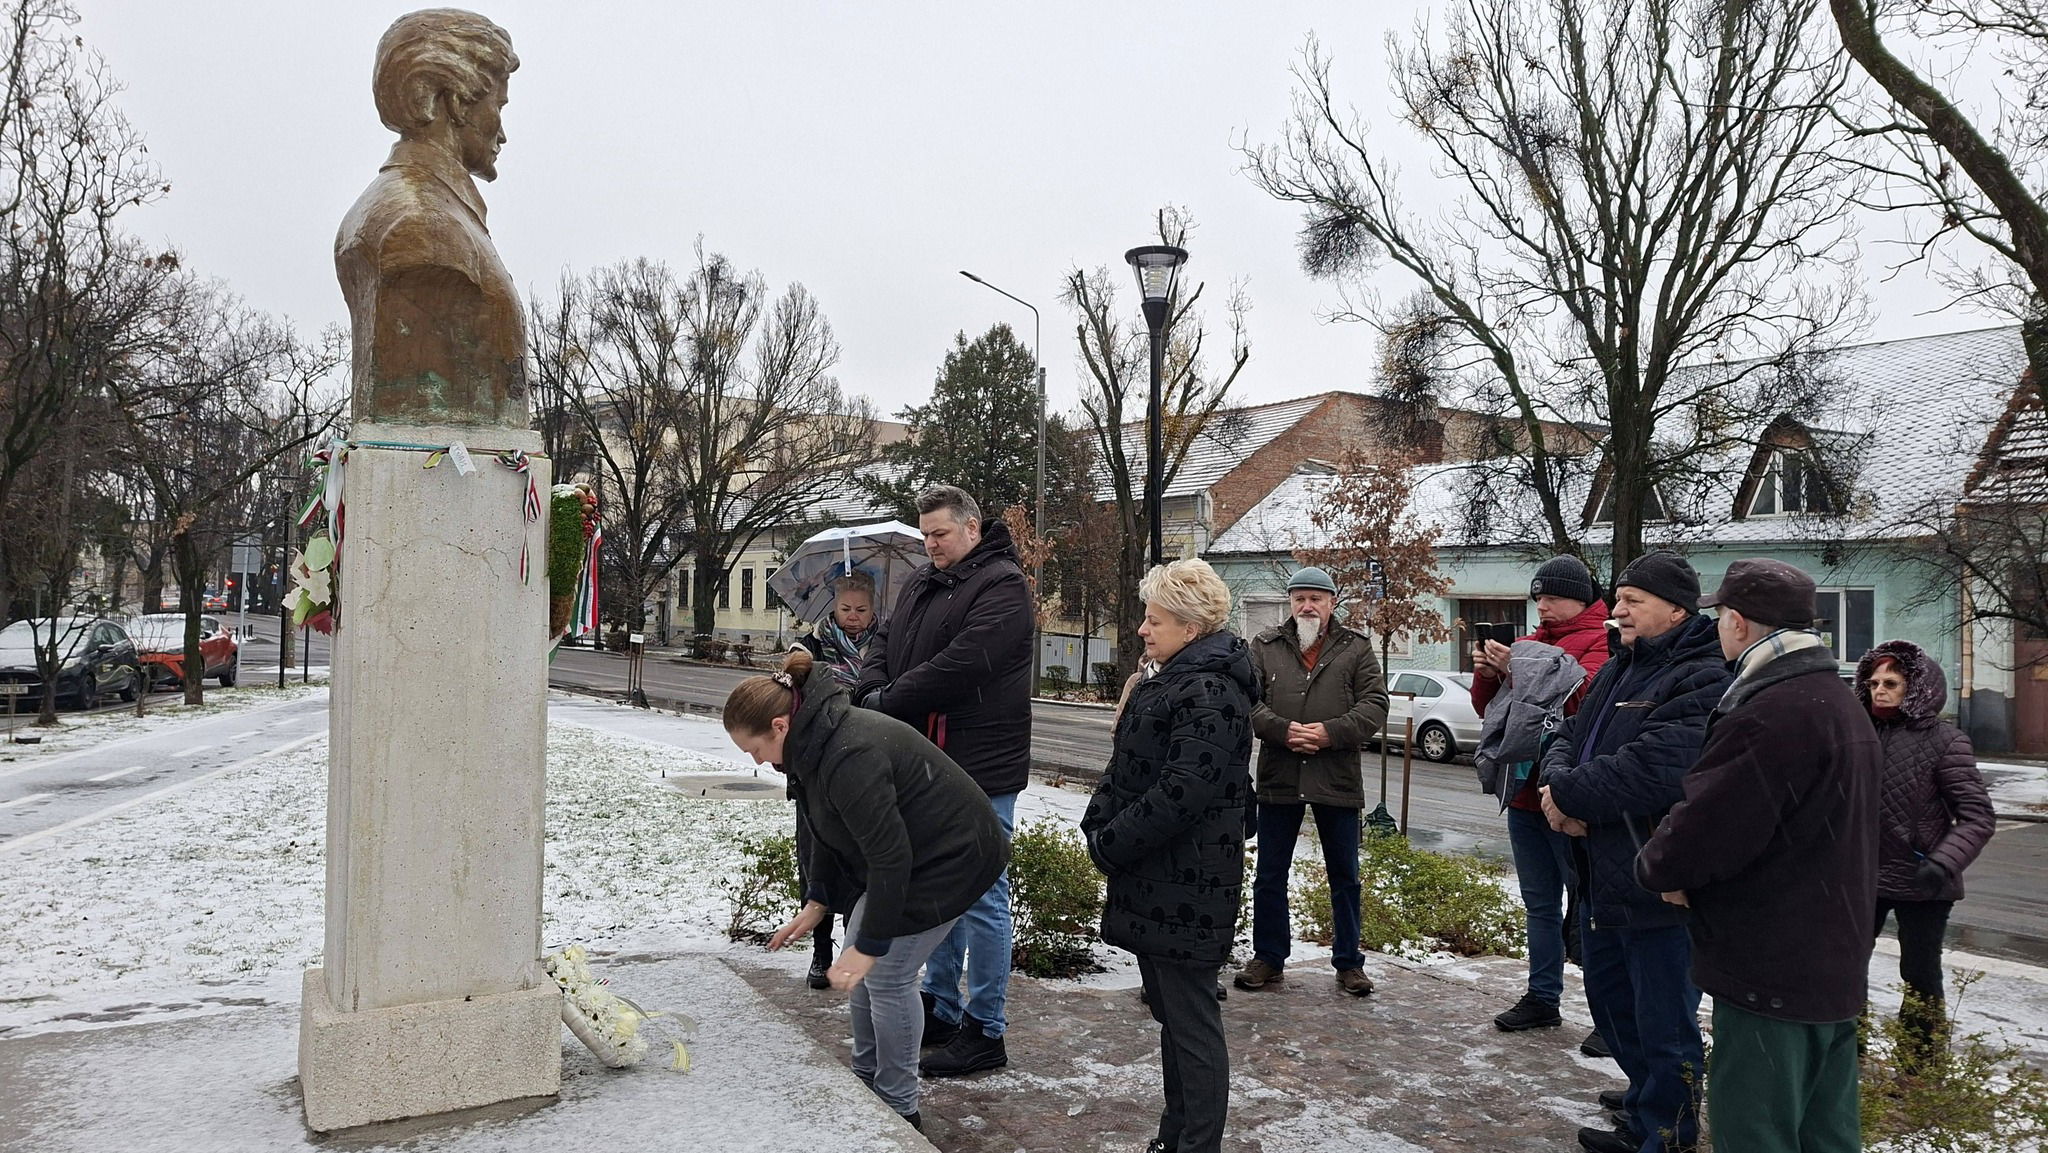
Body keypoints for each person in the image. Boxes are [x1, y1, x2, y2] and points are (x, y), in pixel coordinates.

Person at [1635, 559, 1880, 1152]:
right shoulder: (1838, 700)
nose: (1719, 627)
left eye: (1720, 616)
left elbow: (1707, 826)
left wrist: (1660, 868)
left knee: (1755, 1135)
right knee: (1826, 1137)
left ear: (1739, 622)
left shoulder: (1770, 710)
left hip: (1769, 972)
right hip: (1830, 967)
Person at [729, 649, 1008, 1132]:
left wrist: (872, 945)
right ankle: (865, 1080)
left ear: (778, 725)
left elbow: (889, 858)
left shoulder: (848, 754)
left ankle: (900, 1107)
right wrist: (818, 900)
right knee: (856, 965)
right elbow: (825, 826)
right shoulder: (811, 743)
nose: (754, 760)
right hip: (912, 854)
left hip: (954, 856)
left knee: (886, 973)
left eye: (753, 749)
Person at [1538, 551, 1730, 1153]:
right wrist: (1559, 786)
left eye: (1632, 601)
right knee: (1613, 1003)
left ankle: (1667, 1134)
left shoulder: (1702, 675)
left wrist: (1566, 795)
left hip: (1658, 882)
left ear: (1676, 610)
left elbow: (1656, 769)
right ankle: (1646, 1104)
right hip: (1602, 874)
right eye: (1617, 598)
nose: (1616, 610)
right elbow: (1565, 735)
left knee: (1664, 1020)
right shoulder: (1621, 666)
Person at [852, 484, 1032, 1077]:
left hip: (981, 764)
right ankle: (943, 1005)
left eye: (941, 534)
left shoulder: (1002, 585)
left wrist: (887, 700)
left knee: (982, 897)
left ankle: (986, 1028)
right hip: (926, 762)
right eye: (925, 534)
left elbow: (963, 664)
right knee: (937, 890)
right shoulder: (922, 582)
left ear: (972, 528)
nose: (930, 544)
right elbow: (884, 640)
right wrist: (870, 687)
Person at [1083, 558, 1256, 1153]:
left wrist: (1111, 842)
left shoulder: (1209, 690)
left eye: (1154, 620)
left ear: (1190, 627)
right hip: (1160, 876)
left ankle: (1196, 1143)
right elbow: (1129, 767)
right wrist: (1098, 820)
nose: (1142, 629)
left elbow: (1181, 791)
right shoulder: (1172, 679)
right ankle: (1175, 1135)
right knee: (1173, 1018)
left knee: (1191, 1024)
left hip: (1188, 883)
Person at [337, 10, 527, 428]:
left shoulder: (403, 211)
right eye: (498, 105)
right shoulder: (417, 223)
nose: (503, 133)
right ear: (456, 100)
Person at [1232, 565, 1388, 996]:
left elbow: (1375, 704)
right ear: (1290, 602)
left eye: (1315, 598)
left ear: (1331, 603)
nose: (1307, 606)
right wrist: (1282, 730)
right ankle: (1268, 958)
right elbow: (1247, 700)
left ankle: (1349, 963)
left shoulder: (1355, 648)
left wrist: (1329, 733)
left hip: (1336, 777)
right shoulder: (1265, 646)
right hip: (1280, 775)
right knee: (1270, 874)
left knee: (1345, 875)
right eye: (1299, 598)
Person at [1470, 555, 1610, 1034]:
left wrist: (1518, 668)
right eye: (1539, 597)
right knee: (1539, 905)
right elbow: (1492, 709)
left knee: (1588, 907)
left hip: (1570, 797)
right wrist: (1489, 674)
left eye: (1551, 597)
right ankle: (1542, 996)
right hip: (1525, 793)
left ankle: (1608, 1015)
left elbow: (1581, 701)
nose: (1542, 606)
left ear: (1580, 598)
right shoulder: (1530, 643)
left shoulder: (1602, 641)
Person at [1855, 638, 1995, 1062]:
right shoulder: (1857, 735)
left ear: (1915, 687)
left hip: (1923, 879)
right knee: (1845, 968)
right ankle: (1848, 1058)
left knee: (1919, 977)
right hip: (1861, 876)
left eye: (1891, 683)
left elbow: (1977, 816)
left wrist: (1942, 862)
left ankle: (1918, 1069)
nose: (1880, 691)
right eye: (1874, 683)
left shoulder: (1946, 740)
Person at [787, 572, 881, 988]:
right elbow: (791, 691)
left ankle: (850, 950)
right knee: (816, 859)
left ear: (873, 609)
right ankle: (820, 951)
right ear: (833, 607)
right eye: (845, 609)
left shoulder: (884, 646)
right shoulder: (811, 645)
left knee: (859, 862)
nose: (853, 617)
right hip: (816, 767)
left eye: (861, 609)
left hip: (864, 764)